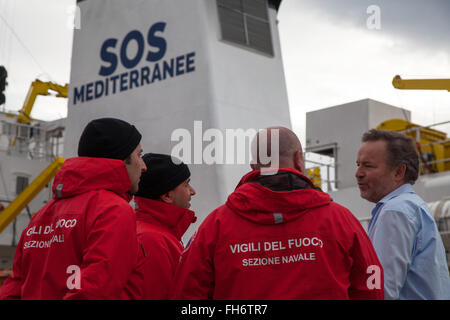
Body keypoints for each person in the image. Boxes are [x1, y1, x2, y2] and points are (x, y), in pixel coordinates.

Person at [170, 127, 383, 300]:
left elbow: (187, 293)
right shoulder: (342, 220)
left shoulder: (214, 225)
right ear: (299, 159)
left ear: (254, 166)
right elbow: (372, 284)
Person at [0, 117, 147, 299]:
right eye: (139, 156)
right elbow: (94, 290)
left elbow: (15, 285)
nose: (144, 166)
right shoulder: (113, 210)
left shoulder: (43, 214)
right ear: (121, 159)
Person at [355, 129, 450, 300]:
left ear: (398, 172)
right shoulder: (413, 207)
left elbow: (380, 290)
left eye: (368, 166)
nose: (358, 173)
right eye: (358, 165)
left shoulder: (394, 212)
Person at [133, 153, 197, 299]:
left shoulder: (158, 234)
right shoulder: (152, 240)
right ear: (167, 196)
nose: (193, 191)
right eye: (186, 184)